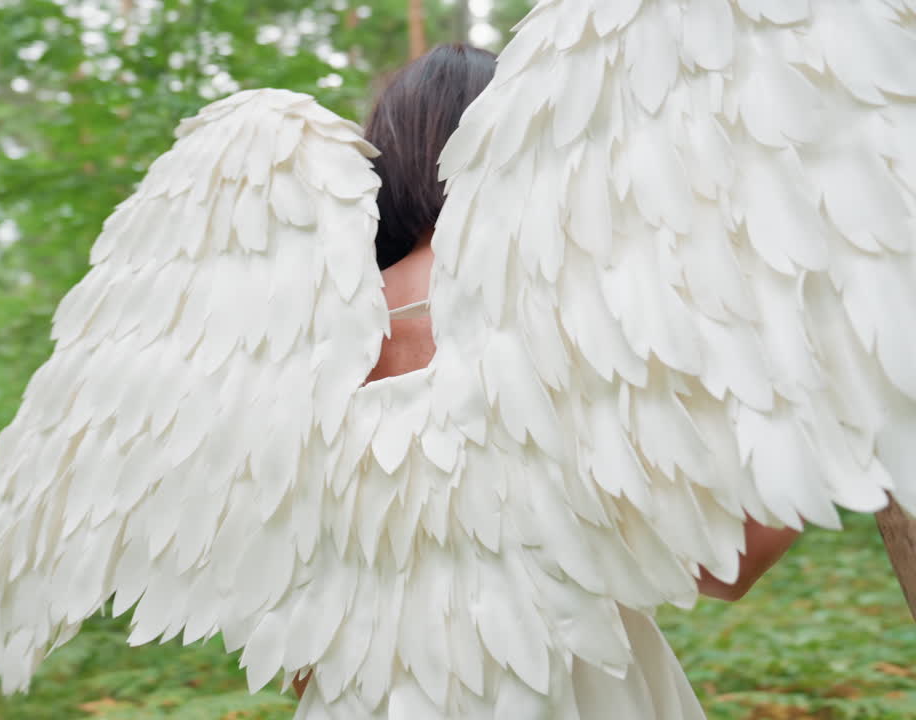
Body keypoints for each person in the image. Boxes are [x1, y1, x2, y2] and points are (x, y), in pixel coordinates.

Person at [293, 42, 802, 703]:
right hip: (572, 684)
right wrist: (848, 411)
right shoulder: (584, 315)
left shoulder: (309, 337)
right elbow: (728, 561)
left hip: (370, 692)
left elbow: (297, 621)